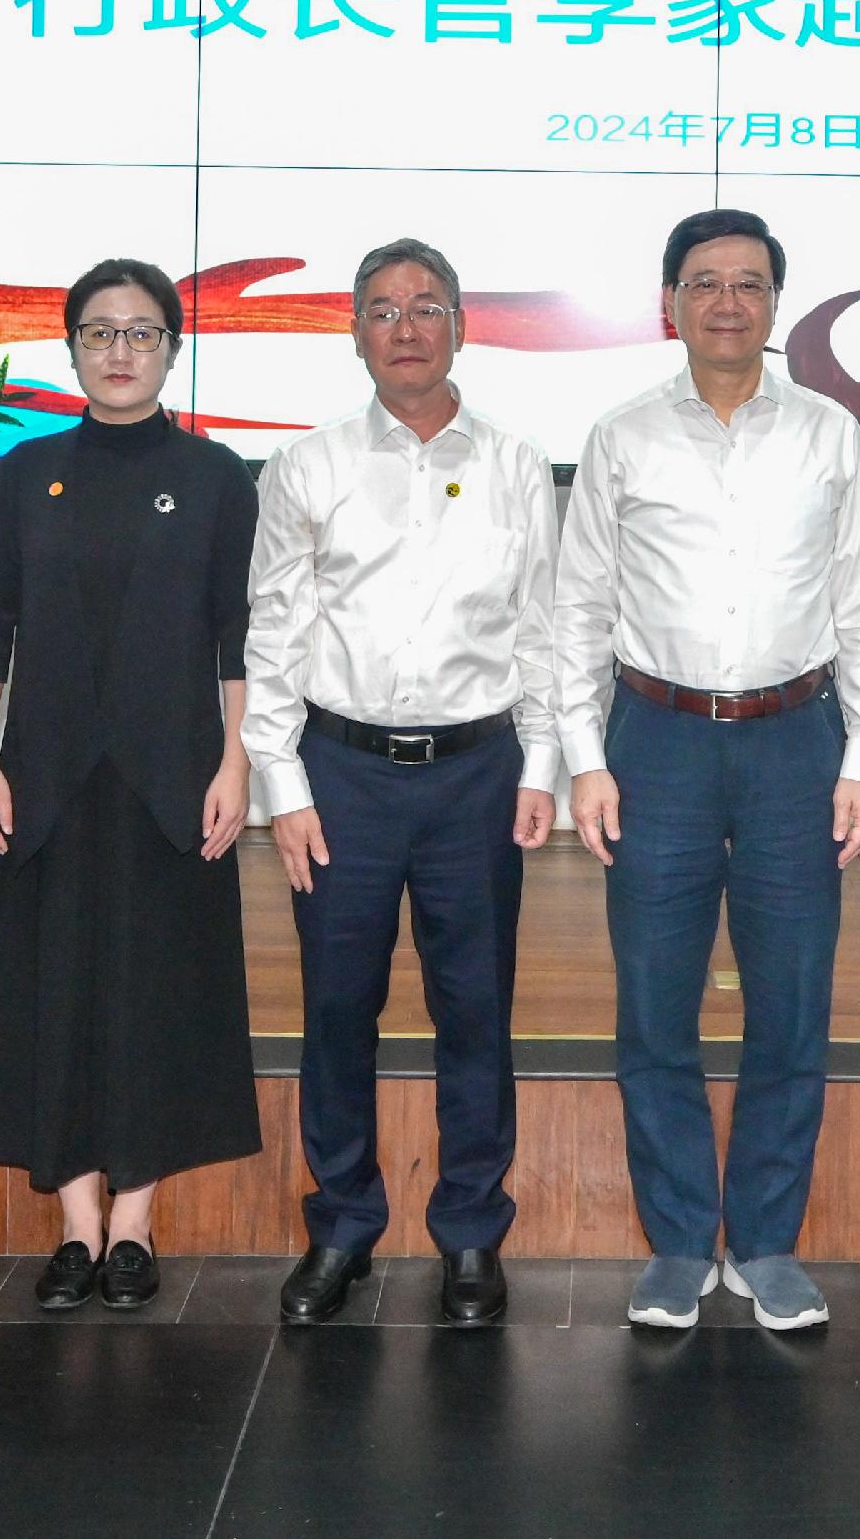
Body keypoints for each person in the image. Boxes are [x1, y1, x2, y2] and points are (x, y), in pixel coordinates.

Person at [556, 208, 860, 1333]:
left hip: (795, 739)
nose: (726, 302)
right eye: (704, 282)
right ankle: (674, 1244)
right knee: (654, 1006)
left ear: (775, 303)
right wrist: (584, 757)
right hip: (654, 740)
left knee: (791, 1003)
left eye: (749, 283)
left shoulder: (826, 435)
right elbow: (579, 608)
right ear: (670, 302)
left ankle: (762, 1239)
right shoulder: (621, 436)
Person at [245, 239, 560, 1329]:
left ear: (462, 325)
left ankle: (471, 1231)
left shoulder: (518, 464)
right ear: (356, 332)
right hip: (340, 775)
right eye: (382, 309)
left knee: (475, 1010)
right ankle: (341, 1224)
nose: (407, 326)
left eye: (427, 306)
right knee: (339, 1010)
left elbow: (542, 626)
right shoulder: (308, 465)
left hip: (477, 772)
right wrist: (279, 782)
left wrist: (545, 761)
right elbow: (275, 629)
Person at [0, 258, 262, 1315]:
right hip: (43, 779)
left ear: (171, 347)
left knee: (153, 995)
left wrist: (237, 760)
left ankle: (133, 1224)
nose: (118, 350)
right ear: (71, 346)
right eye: (98, 331)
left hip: (171, 778)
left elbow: (240, 639)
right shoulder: (25, 468)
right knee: (55, 991)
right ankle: (75, 1223)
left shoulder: (220, 475)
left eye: (140, 332)